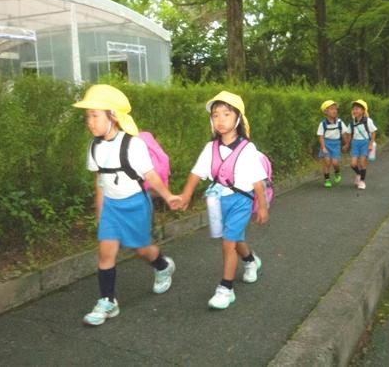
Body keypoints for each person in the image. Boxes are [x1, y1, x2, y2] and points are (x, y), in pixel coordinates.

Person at [73, 84, 180, 326]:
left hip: (135, 205)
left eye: (95, 115)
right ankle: (107, 301)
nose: (90, 122)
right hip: (111, 207)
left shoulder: (133, 145)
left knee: (141, 250)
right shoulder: (94, 147)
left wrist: (168, 196)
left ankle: (163, 265)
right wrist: (100, 211)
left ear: (112, 115)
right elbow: (100, 181)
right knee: (105, 253)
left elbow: (151, 176)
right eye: (87, 116)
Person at [178, 91, 269, 310]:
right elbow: (196, 173)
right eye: (215, 115)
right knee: (233, 239)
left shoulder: (247, 148)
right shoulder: (210, 148)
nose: (220, 119)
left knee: (228, 242)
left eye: (226, 114)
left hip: (241, 201)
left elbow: (258, 181)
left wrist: (262, 207)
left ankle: (226, 289)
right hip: (219, 201)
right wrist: (186, 195)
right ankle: (250, 261)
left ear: (238, 118)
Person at [343, 99, 378, 190]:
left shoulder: (368, 121)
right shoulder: (352, 122)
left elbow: (373, 132)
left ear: (363, 111)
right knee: (353, 164)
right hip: (355, 143)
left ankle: (362, 181)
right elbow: (349, 134)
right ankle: (359, 174)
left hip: (365, 143)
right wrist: (347, 144)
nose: (354, 111)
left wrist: (371, 144)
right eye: (353, 109)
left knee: (362, 163)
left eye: (357, 109)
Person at [317, 100, 346, 188]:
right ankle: (327, 179)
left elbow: (344, 134)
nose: (334, 111)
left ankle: (337, 172)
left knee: (335, 162)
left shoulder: (340, 122)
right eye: (332, 109)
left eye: (335, 109)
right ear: (325, 112)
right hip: (326, 144)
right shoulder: (323, 124)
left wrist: (346, 144)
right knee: (327, 162)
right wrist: (323, 147)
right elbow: (321, 136)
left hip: (336, 144)